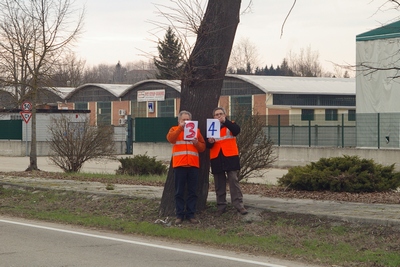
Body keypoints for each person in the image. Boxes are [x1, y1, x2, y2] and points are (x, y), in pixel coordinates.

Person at [206, 107, 248, 216]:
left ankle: (239, 205)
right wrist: (210, 141)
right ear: (213, 117)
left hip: (230, 156)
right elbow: (207, 145)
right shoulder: (210, 127)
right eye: (216, 114)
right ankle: (221, 206)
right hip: (216, 157)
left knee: (233, 180)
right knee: (219, 184)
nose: (219, 116)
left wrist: (225, 122)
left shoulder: (230, 124)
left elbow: (236, 131)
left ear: (225, 115)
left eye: (220, 114)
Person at [167, 110, 206, 224]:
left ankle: (191, 214)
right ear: (179, 121)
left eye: (188, 119)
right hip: (179, 165)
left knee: (192, 192)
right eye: (184, 119)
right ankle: (179, 215)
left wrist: (196, 143)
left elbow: (202, 147)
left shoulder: (196, 131)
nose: (186, 122)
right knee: (179, 192)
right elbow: (170, 139)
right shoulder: (174, 129)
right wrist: (180, 128)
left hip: (193, 165)